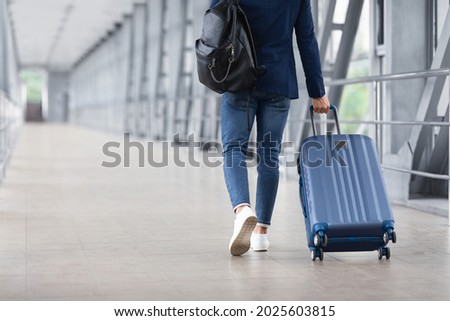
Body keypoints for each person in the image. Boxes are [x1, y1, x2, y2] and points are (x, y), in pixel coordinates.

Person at [210, 0, 330, 256]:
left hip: (239, 77)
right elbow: (306, 39)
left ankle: (243, 210)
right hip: (279, 81)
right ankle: (261, 233)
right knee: (269, 156)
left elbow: (214, 19)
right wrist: (317, 91)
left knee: (234, 149)